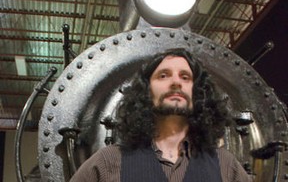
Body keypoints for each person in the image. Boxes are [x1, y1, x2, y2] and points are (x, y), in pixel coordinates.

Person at [70, 48, 252, 182]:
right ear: (147, 91)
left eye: (185, 77)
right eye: (163, 75)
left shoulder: (226, 165)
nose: (175, 82)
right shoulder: (107, 161)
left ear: (196, 92)